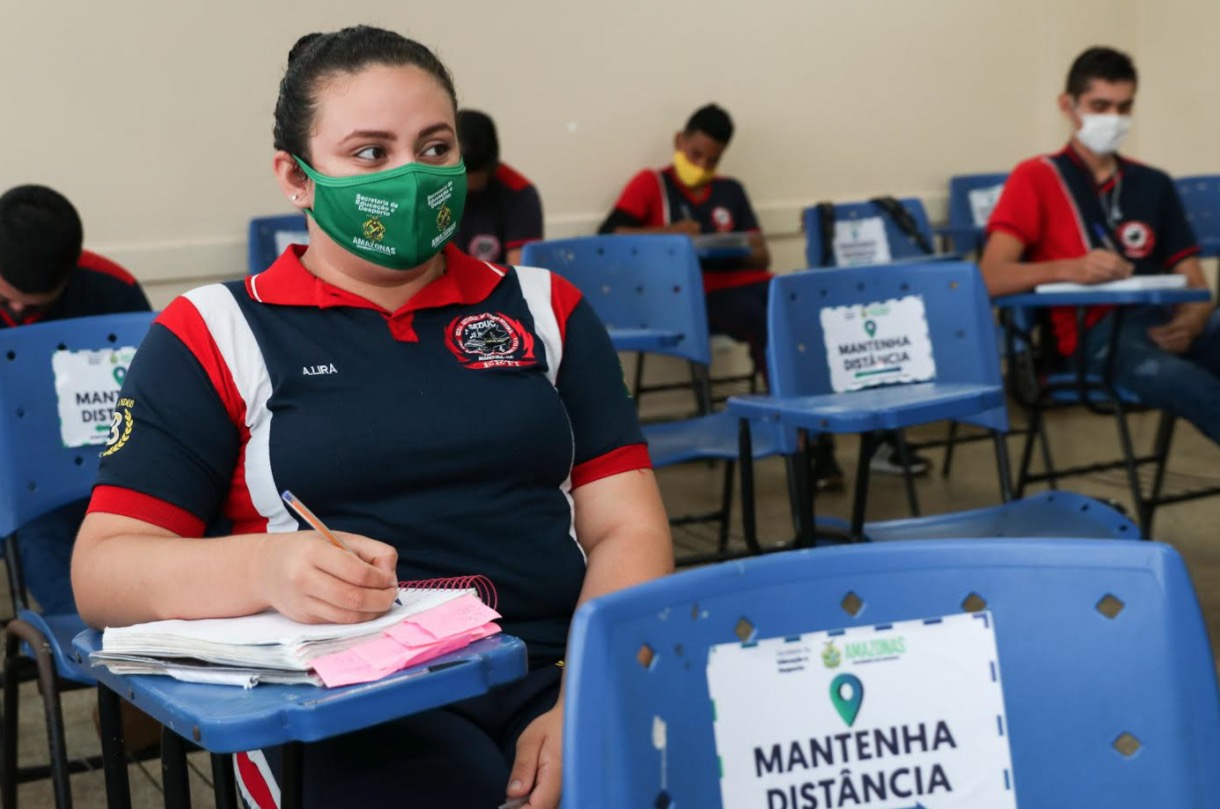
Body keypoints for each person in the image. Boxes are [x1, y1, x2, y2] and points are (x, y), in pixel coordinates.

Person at [70, 25, 672, 809]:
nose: (413, 177)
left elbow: (630, 528)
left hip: (556, 667)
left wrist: (589, 696)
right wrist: (264, 570)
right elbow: (103, 570)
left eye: (434, 146)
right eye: (371, 153)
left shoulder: (546, 309)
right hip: (341, 698)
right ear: (295, 175)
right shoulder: (212, 331)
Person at [980, 46, 1220, 444]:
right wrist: (1066, 268)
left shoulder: (1152, 183)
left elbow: (1193, 279)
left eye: (1125, 107)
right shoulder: (1036, 178)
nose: (1114, 119)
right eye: (1100, 105)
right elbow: (989, 277)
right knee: (1193, 387)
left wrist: (1193, 320)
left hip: (1166, 321)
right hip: (1095, 332)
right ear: (1068, 105)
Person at [0, 184, 151, 615]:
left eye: (33, 305)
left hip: (104, 466)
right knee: (38, 531)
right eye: (6, 298)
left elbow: (148, 390)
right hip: (20, 486)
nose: (16, 310)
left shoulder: (113, 290)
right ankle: (90, 638)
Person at [454, 109, 543, 264]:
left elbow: (521, 274)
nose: (467, 187)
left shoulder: (520, 193)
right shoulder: (428, 190)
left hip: (497, 284)